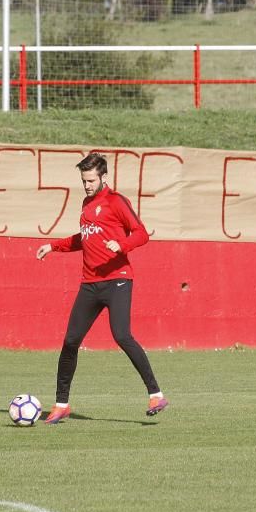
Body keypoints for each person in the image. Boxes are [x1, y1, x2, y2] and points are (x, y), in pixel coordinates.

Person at [36, 153, 168, 424]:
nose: (86, 185)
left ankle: (156, 394)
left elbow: (141, 233)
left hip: (118, 280)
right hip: (90, 284)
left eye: (91, 180)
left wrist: (123, 245)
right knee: (71, 341)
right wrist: (53, 246)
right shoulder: (86, 204)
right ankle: (61, 404)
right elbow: (83, 239)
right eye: (84, 180)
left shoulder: (116, 201)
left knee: (122, 335)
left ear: (103, 177)